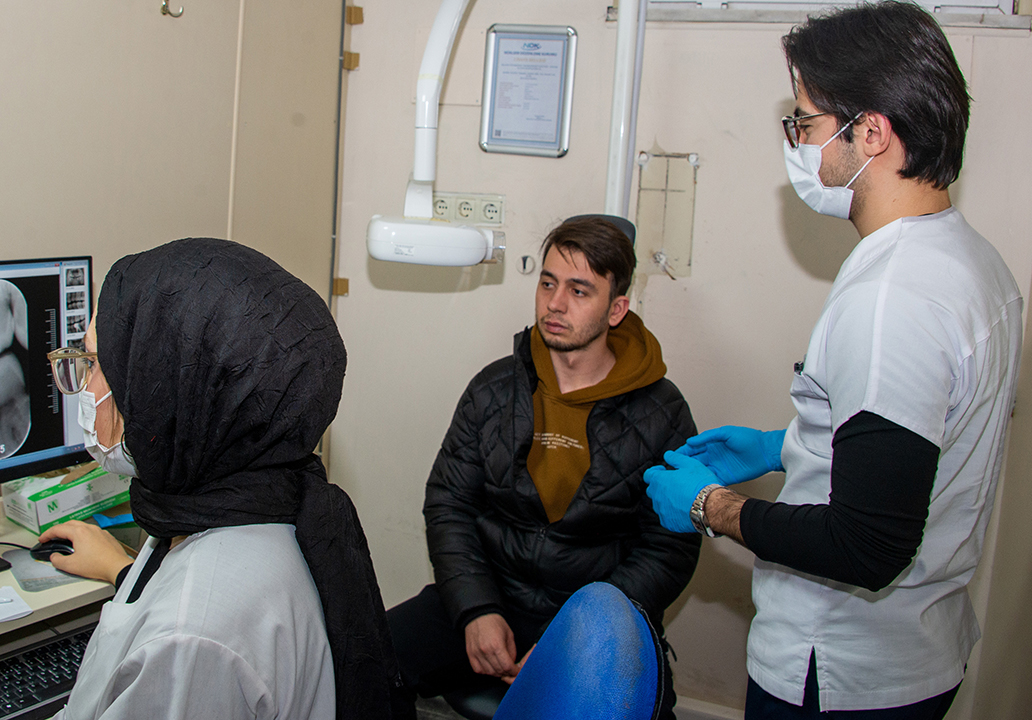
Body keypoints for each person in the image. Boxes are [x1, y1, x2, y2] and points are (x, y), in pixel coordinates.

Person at [642, 3, 1023, 718]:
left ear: (871, 133)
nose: (796, 143)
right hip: (920, 648)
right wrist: (782, 446)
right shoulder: (971, 260)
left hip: (840, 670)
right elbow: (916, 444)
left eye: (805, 122)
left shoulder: (892, 299)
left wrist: (708, 506)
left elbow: (867, 544)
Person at [39, 238, 413, 720]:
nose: (84, 387)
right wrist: (123, 570)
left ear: (168, 390)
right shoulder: (254, 500)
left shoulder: (191, 641)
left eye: (95, 363)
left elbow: (195, 628)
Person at [388, 214, 701, 718]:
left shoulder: (661, 412)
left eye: (579, 290)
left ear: (616, 309)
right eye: (548, 283)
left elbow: (669, 548)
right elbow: (449, 503)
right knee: (364, 659)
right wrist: (476, 609)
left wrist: (578, 636)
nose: (555, 304)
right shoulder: (494, 388)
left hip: (596, 616)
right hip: (493, 593)